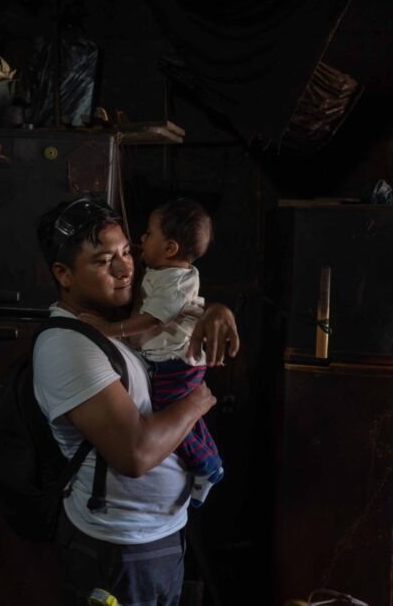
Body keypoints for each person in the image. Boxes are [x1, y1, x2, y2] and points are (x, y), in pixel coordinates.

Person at [33, 195, 239, 606]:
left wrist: (215, 310)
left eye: (127, 252)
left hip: (158, 535)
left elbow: (173, 308)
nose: (126, 268)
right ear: (63, 274)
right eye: (104, 260)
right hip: (116, 549)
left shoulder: (114, 325)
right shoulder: (68, 345)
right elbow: (136, 454)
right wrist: (198, 401)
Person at [78, 198, 223, 508]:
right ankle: (211, 459)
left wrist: (109, 329)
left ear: (170, 248)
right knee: (182, 413)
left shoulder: (175, 282)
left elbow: (153, 318)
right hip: (173, 362)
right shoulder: (163, 270)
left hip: (175, 364)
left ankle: (205, 466)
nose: (141, 239)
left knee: (169, 416)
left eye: (148, 233)